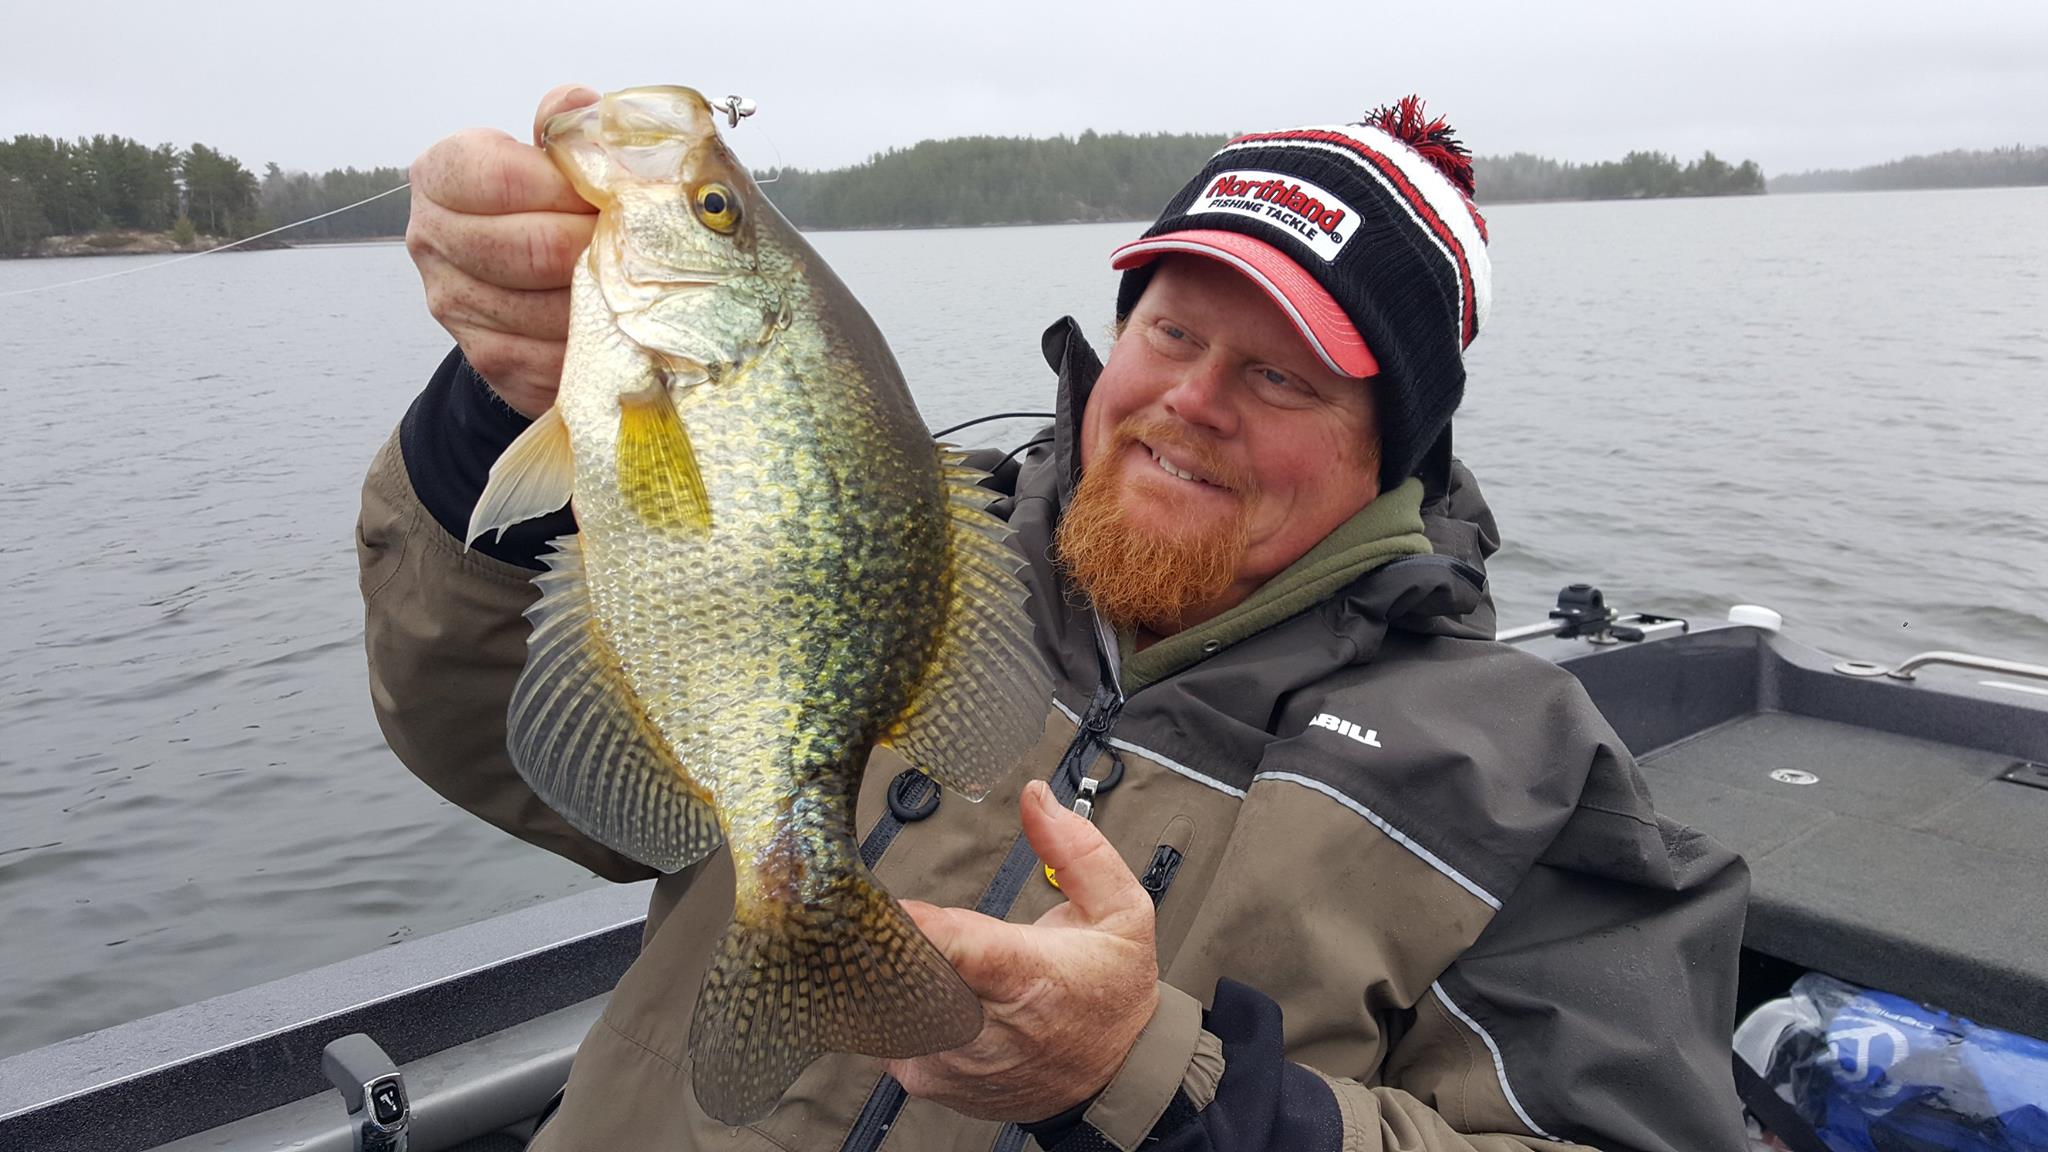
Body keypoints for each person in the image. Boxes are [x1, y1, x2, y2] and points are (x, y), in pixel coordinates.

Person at [361, 84, 1751, 1151]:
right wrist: (508, 397)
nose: (1190, 401)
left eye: (1280, 375)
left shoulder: (1526, 775)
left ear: (1390, 447)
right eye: (1171, 331)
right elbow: (492, 735)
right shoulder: (899, 533)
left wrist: (1153, 1079)